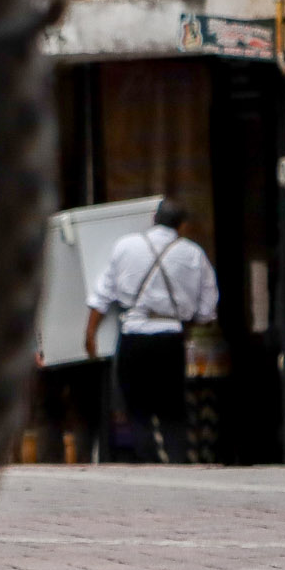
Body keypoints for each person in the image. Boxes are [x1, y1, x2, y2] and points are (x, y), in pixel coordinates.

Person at [84, 198, 217, 464]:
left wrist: (90, 336)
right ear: (182, 226)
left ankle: (149, 465)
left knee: (137, 409)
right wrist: (185, 324)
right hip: (171, 339)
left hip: (134, 338)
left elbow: (101, 296)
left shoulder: (126, 246)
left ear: (153, 220)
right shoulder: (193, 254)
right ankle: (179, 465)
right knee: (173, 410)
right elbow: (207, 311)